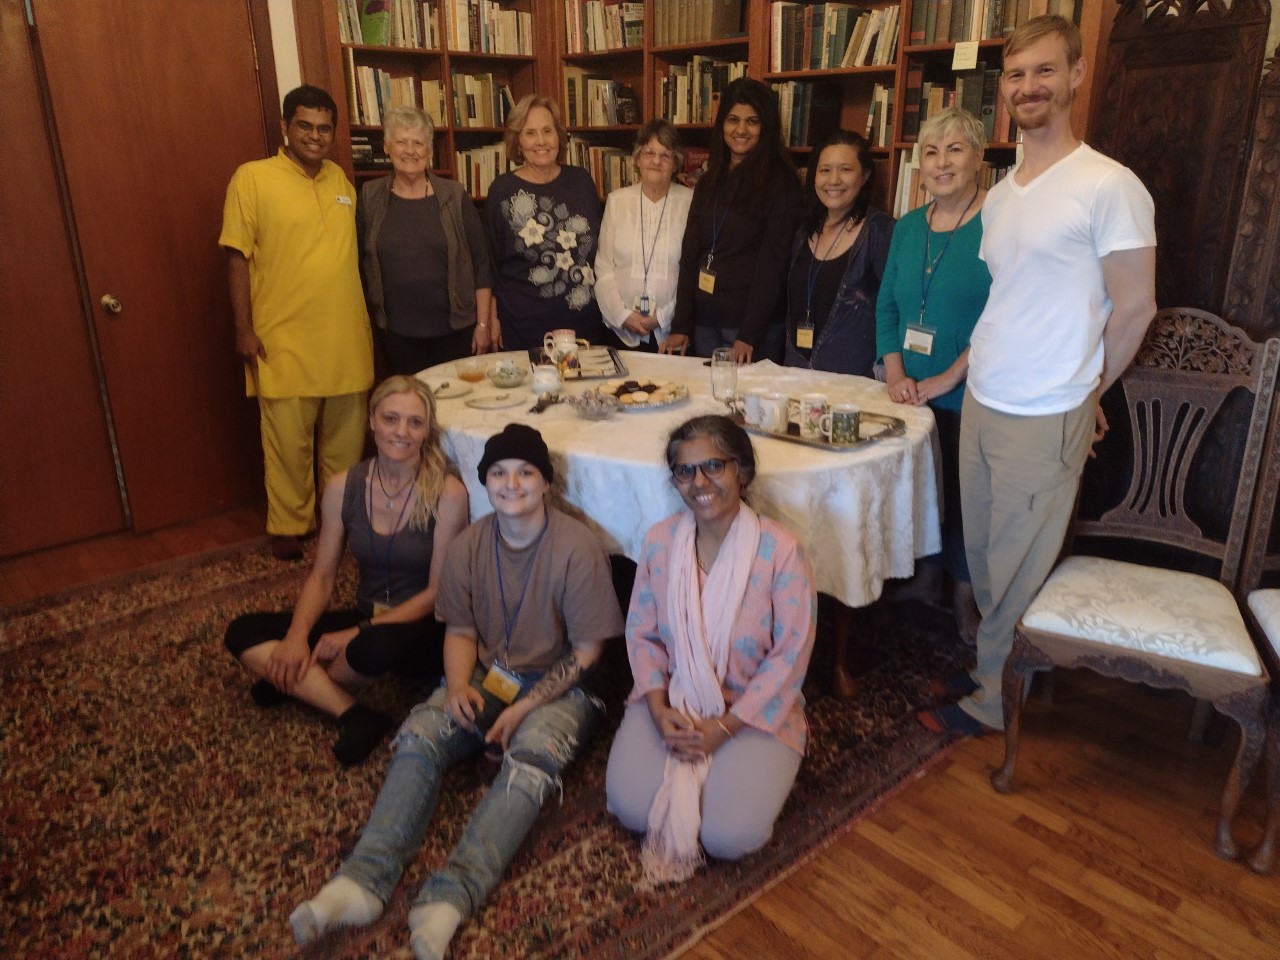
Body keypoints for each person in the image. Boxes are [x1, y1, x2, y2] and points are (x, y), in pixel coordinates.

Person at [290, 423, 623, 959]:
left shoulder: (577, 546)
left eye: (525, 472)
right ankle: (363, 879)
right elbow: (461, 631)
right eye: (498, 473)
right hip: (489, 672)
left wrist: (527, 708)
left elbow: (587, 653)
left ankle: (453, 894)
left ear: (545, 483)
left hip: (561, 688)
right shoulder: (470, 544)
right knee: (421, 730)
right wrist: (461, 685)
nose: (511, 483)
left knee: (532, 759)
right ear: (484, 481)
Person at [918, 16, 1156, 736]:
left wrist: (1087, 395)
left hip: (1045, 406)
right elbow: (1007, 295)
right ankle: (997, 665)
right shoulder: (1004, 194)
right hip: (988, 394)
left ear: (1077, 76)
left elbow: (1137, 307)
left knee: (1020, 564)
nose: (1029, 87)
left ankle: (994, 702)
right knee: (989, 555)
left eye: (1045, 71)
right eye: (1017, 75)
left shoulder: (1109, 185)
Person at [605, 415, 816, 884]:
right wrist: (659, 710)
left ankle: (753, 764)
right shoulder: (661, 543)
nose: (699, 482)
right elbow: (642, 635)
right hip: (676, 699)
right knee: (629, 807)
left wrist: (725, 727)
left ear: (742, 471)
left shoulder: (781, 551)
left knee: (728, 836)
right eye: (685, 471)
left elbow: (790, 656)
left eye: (714, 466)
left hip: (753, 709)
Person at [223, 376, 469, 765]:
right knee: (241, 632)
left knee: (371, 645)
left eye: (415, 423)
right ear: (372, 421)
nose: (401, 432)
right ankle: (353, 713)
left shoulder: (448, 493)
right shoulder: (343, 487)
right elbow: (322, 576)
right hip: (368, 613)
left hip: (422, 625)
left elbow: (437, 593)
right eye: (391, 419)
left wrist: (355, 631)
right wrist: (296, 637)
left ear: (427, 431)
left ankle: (293, 682)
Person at [220, 84, 374, 561]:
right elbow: (237, 257)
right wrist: (243, 328)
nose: (315, 135)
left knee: (345, 447)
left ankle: (340, 520)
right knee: (287, 445)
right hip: (281, 341)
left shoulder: (341, 184)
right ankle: (289, 525)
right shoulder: (251, 178)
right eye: (304, 125)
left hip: (346, 339)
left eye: (324, 128)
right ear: (285, 128)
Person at [876, 107, 991, 640]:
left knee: (969, 505)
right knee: (920, 492)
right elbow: (887, 310)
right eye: (930, 151)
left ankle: (966, 601)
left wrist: (947, 378)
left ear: (980, 158)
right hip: (907, 394)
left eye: (955, 150)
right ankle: (924, 579)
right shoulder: (906, 227)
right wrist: (896, 373)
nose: (941, 162)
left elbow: (1004, 317)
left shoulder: (998, 223)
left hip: (972, 393)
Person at [664, 77, 804, 363]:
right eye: (733, 120)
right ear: (721, 125)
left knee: (746, 407)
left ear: (766, 127)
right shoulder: (709, 179)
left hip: (750, 331)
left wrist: (749, 334)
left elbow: (773, 264)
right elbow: (690, 255)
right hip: (704, 322)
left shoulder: (781, 182)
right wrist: (681, 325)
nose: (741, 130)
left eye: (752, 121)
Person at [358, 105, 494, 374]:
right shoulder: (369, 197)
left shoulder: (454, 196)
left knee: (455, 410)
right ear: (386, 147)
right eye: (401, 142)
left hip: (456, 331)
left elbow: (481, 264)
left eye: (418, 143)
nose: (410, 150)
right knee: (412, 409)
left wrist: (483, 324)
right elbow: (361, 263)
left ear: (430, 151)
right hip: (397, 334)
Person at [484, 94, 605, 351]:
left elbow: (599, 251)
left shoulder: (582, 181)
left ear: (558, 137)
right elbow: (490, 264)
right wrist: (490, 319)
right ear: (518, 142)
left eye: (547, 131)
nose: (541, 141)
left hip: (584, 326)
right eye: (530, 133)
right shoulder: (502, 191)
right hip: (523, 328)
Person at [784, 130, 894, 376]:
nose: (833, 180)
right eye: (824, 170)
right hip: (796, 374)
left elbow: (893, 308)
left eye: (845, 169)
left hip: (851, 381)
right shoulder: (804, 231)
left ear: (864, 176)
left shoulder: (879, 230)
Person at [594, 119, 694, 352]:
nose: (656, 161)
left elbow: (692, 275)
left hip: (672, 335)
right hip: (620, 331)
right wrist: (623, 315)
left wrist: (662, 317)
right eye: (649, 152)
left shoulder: (691, 203)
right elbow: (603, 268)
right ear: (638, 158)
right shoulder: (617, 201)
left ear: (676, 162)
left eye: (665, 155)